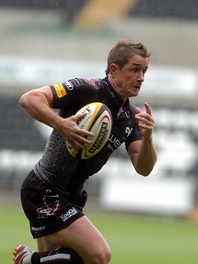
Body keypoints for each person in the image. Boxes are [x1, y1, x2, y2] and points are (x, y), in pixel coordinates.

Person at [13, 39, 157, 264]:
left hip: (71, 197)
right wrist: (62, 124)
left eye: (144, 71)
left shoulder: (132, 117)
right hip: (44, 189)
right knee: (99, 255)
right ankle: (29, 261)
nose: (141, 78)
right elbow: (29, 99)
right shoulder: (86, 89)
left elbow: (144, 168)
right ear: (113, 70)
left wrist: (148, 139)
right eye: (135, 69)